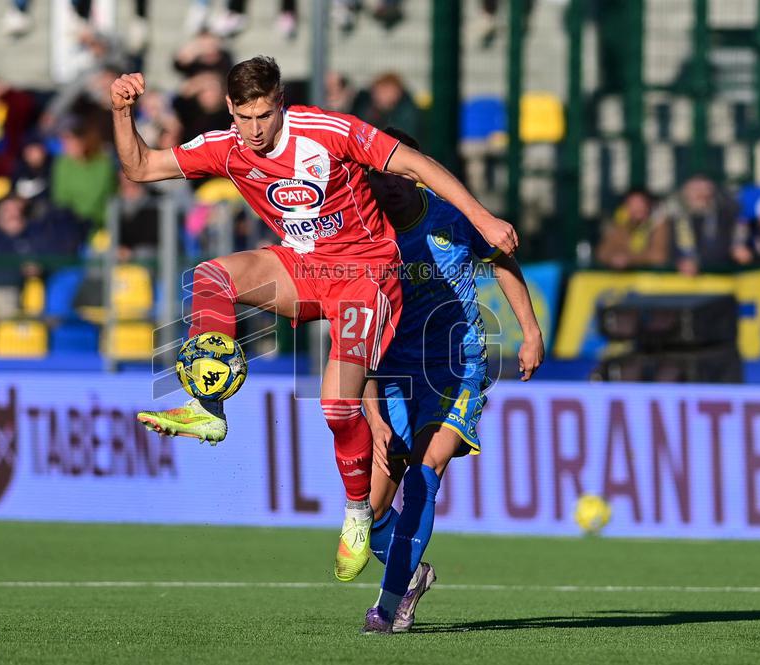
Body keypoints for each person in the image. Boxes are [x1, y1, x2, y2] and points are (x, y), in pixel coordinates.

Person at [113, 56, 517, 583]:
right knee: (211, 277)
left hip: (366, 274)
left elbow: (416, 166)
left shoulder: (328, 131)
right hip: (305, 267)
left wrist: (482, 217)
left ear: (280, 103)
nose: (256, 130)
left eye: (265, 115)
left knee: (335, 403)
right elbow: (141, 166)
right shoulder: (228, 146)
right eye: (245, 117)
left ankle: (356, 516)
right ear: (231, 109)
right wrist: (120, 112)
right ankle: (208, 403)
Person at [357, 128, 543, 634]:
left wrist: (530, 331)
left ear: (418, 172)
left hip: (456, 368)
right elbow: (354, 326)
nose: (389, 185)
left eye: (399, 174)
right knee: (367, 513)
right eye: (378, 176)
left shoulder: (450, 217)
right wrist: (371, 413)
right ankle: (412, 576)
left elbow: (502, 259)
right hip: (393, 375)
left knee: (424, 472)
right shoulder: (366, 234)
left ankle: (387, 607)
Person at [595, 188, 669, 269]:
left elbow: (658, 256)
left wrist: (629, 259)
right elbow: (602, 253)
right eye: (632, 205)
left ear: (648, 205)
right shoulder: (620, 225)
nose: (637, 208)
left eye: (640, 204)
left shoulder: (658, 224)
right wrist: (613, 258)